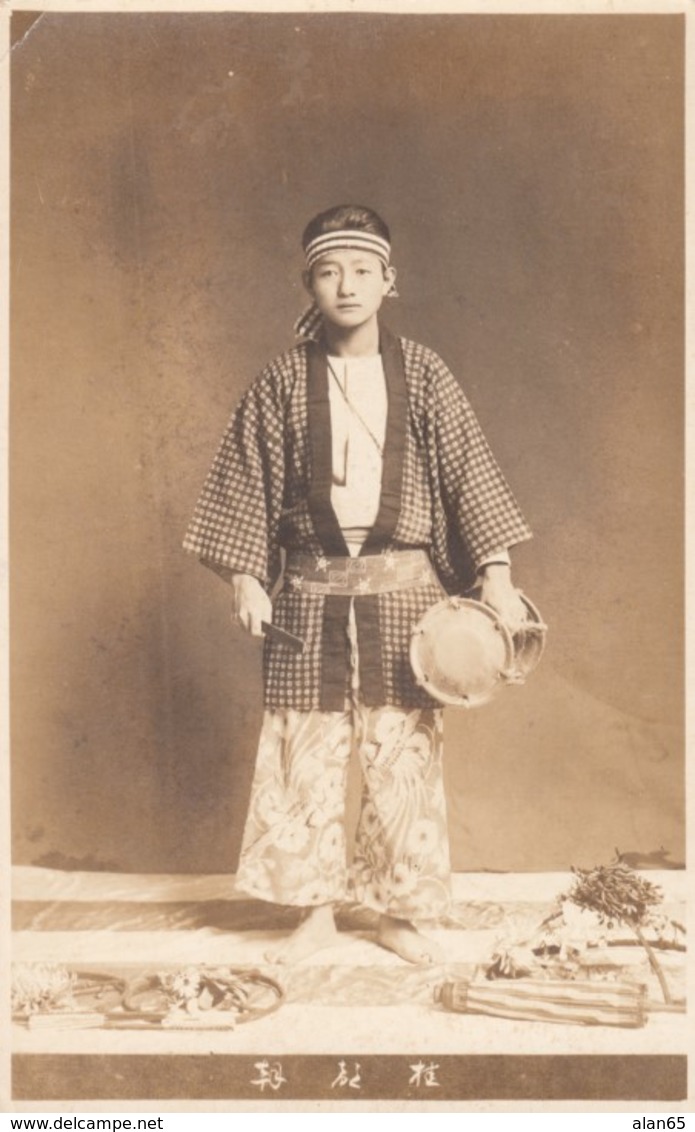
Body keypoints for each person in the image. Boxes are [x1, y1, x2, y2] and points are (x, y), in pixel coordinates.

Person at [184, 204, 532, 965]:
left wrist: (497, 576)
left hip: (406, 598)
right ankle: (311, 911)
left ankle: (396, 914)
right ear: (307, 282)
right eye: (329, 270)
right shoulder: (279, 383)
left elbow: (469, 475)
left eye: (362, 270)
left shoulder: (426, 374)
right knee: (302, 755)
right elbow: (243, 481)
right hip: (306, 597)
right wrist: (246, 576)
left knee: (401, 756)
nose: (346, 285)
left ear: (389, 281)